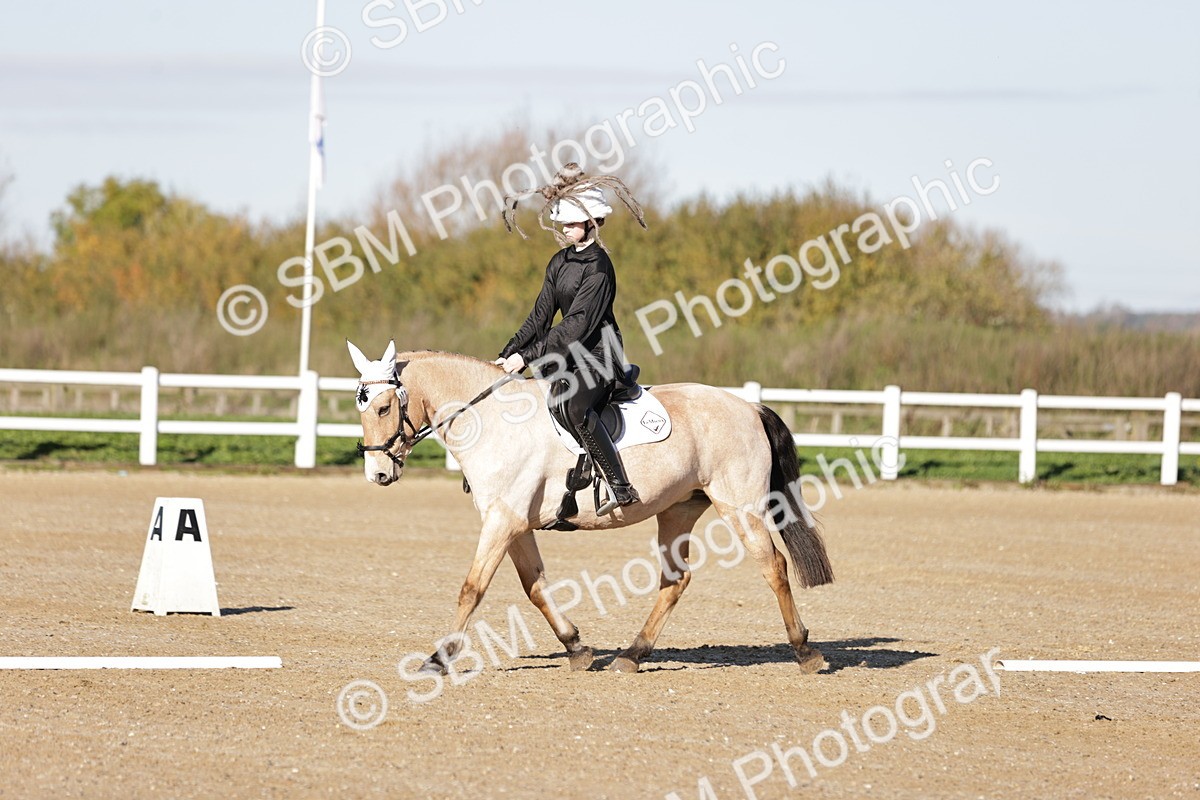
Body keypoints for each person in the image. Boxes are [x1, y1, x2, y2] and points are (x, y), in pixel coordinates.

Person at [496, 167, 646, 508]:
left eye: (572, 223)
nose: (564, 229)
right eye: (562, 222)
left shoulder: (600, 267)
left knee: (576, 406)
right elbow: (540, 317)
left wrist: (528, 356)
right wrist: (507, 354)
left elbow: (577, 325)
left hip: (598, 357)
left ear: (592, 222)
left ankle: (619, 485)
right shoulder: (559, 261)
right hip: (565, 355)